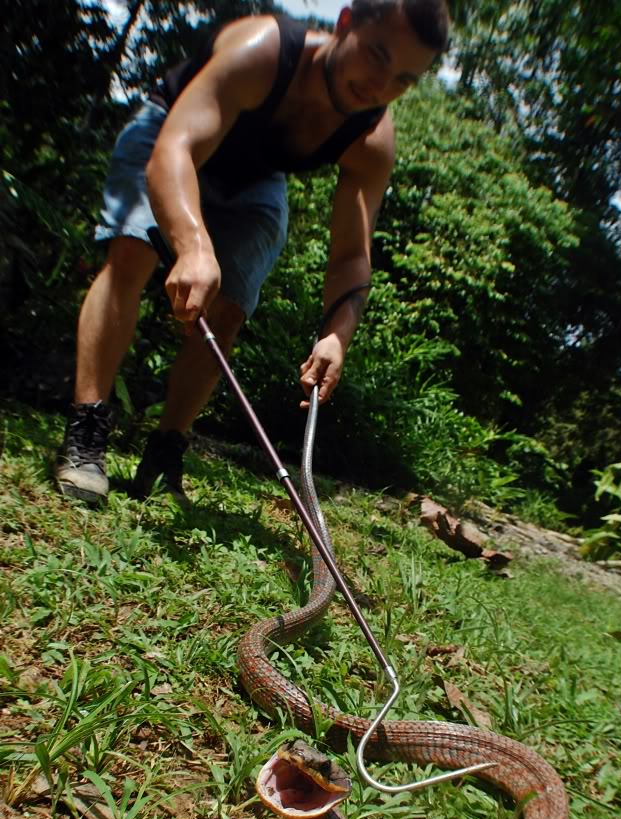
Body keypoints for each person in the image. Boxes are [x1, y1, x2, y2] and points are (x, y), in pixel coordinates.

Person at [56, 0, 450, 503]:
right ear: (346, 24)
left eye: (404, 79)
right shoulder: (262, 50)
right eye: (376, 55)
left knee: (230, 306)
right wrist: (194, 245)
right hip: (171, 136)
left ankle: (166, 448)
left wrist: (337, 335)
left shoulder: (371, 138)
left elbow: (352, 255)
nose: (381, 84)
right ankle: (86, 431)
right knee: (133, 253)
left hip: (257, 177)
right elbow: (174, 151)